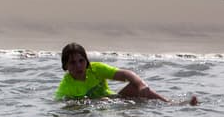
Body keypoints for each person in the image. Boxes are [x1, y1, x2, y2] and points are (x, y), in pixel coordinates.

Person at [56, 42, 198, 104]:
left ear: (87, 61)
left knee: (137, 87)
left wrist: (141, 85)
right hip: (96, 112)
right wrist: (97, 102)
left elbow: (126, 74)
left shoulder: (96, 69)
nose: (79, 66)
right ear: (65, 66)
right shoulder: (66, 86)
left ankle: (172, 104)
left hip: (115, 100)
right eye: (73, 63)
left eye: (81, 61)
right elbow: (69, 106)